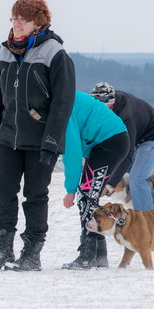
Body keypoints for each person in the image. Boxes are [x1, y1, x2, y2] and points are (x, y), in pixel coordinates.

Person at [0, 0, 75, 272]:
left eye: (24, 19)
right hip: (10, 137)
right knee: (2, 191)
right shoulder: (4, 52)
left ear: (38, 23)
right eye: (14, 18)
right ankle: (4, 249)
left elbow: (63, 103)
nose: (17, 24)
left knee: (35, 195)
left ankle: (32, 253)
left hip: (41, 139)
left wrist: (52, 141)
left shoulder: (54, 53)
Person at [60, 91, 130, 270]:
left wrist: (70, 189)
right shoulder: (61, 97)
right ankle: (99, 257)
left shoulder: (62, 106)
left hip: (109, 143)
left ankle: (87, 257)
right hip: (105, 144)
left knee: (87, 199)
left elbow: (72, 153)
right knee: (88, 198)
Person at [90, 82, 154, 211]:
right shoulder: (102, 108)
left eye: (105, 107)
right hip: (137, 137)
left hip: (152, 138)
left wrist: (109, 185)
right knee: (123, 174)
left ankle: (146, 221)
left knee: (137, 179)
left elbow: (127, 154)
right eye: (98, 107)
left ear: (112, 103)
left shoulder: (126, 116)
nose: (101, 110)